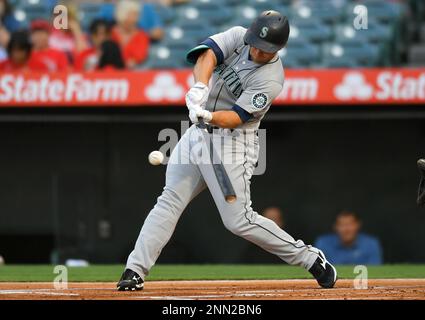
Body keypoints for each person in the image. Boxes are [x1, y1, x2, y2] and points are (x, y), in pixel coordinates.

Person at [117, 10, 337, 291]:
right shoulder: (238, 35)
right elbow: (206, 55)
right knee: (169, 201)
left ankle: (309, 258)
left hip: (232, 144)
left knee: (238, 221)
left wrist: (207, 116)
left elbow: (235, 117)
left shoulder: (271, 78)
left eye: (265, 48)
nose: (257, 49)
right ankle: (135, 271)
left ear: (278, 48)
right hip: (197, 135)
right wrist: (199, 86)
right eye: (255, 42)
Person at [315, 210, 383, 265]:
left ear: (358, 225)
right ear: (335, 227)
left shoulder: (371, 244)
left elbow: (375, 271)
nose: (346, 229)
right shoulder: (323, 243)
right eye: (342, 225)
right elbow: (319, 271)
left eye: (350, 224)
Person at [97, 0, 164, 41]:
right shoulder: (109, 8)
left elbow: (158, 32)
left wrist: (138, 35)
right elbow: (97, 30)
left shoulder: (146, 8)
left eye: (136, 14)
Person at [110, 0, 150, 68]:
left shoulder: (142, 36)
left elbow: (139, 56)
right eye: (132, 15)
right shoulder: (110, 34)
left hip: (133, 73)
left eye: (137, 15)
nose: (135, 19)